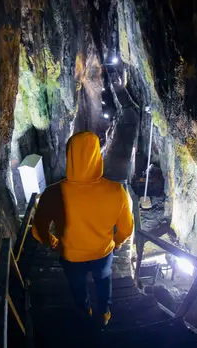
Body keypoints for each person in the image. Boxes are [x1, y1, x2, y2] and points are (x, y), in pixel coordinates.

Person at [32, 131, 134, 327]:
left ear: (69, 156)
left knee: (77, 286)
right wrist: (118, 242)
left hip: (71, 256)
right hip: (102, 252)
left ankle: (84, 310)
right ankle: (103, 313)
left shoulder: (53, 193)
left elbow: (38, 230)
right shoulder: (116, 191)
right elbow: (126, 228)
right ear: (98, 156)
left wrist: (54, 243)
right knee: (103, 281)